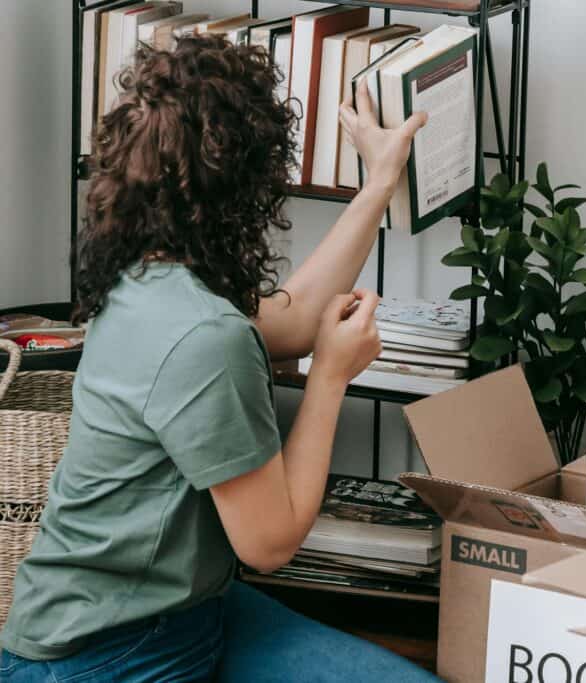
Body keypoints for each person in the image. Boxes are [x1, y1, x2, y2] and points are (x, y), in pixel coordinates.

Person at [0, 34, 439, 682]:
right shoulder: (206, 335)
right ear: (248, 182)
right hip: (109, 654)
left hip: (153, 615)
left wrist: (379, 183)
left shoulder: (145, 279)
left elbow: (291, 319)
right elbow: (269, 543)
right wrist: (330, 376)